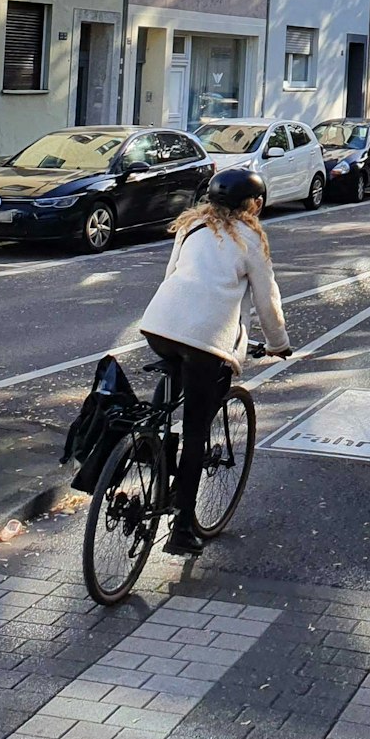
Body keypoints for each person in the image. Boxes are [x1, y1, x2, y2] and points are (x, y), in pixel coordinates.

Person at [136, 167, 289, 556]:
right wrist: (277, 343)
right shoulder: (250, 238)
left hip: (159, 326)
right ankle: (183, 529)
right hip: (207, 342)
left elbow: (173, 274)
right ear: (253, 204)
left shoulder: (192, 225)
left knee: (176, 373)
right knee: (196, 433)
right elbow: (266, 298)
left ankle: (151, 441)